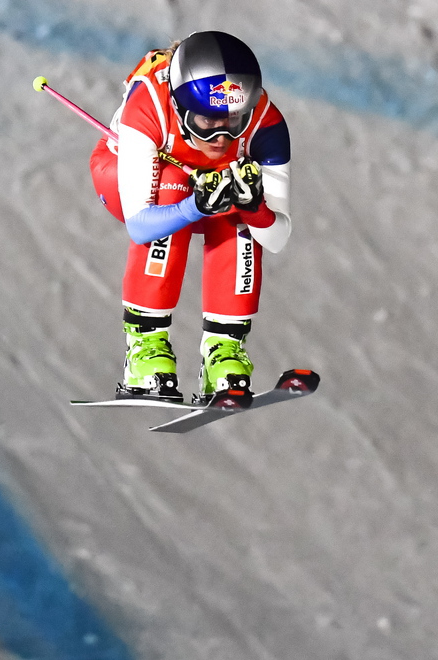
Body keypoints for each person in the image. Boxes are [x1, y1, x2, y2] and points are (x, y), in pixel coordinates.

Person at [89, 30, 291, 402]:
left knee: (238, 196)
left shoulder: (266, 123)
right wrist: (193, 207)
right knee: (174, 182)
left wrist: (254, 208)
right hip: (125, 176)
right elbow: (139, 224)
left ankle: (224, 351)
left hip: (203, 192)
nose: (221, 136)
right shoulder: (148, 105)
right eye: (206, 121)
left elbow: (277, 238)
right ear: (181, 108)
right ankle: (145, 350)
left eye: (235, 121)